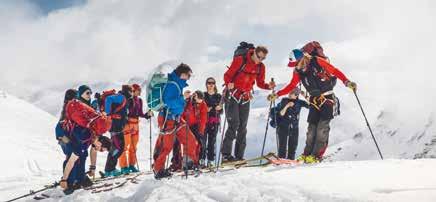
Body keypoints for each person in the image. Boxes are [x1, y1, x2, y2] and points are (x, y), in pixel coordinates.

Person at [269, 49, 357, 163]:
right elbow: (291, 85)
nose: (295, 67)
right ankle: (307, 154)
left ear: (302, 59)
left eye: (295, 63)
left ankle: (316, 156)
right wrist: (277, 94)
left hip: (327, 99)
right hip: (314, 101)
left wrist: (347, 82)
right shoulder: (298, 71)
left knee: (322, 128)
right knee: (311, 129)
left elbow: (334, 71)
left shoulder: (317, 61)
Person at [222, 46, 276, 161]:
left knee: (243, 127)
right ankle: (226, 155)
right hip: (233, 95)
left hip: (245, 97)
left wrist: (268, 86)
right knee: (234, 124)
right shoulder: (240, 60)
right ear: (254, 53)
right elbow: (227, 75)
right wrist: (228, 83)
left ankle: (239, 156)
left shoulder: (261, 67)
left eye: (263, 58)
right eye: (259, 56)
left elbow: (260, 83)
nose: (260, 60)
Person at [153, 63, 199, 179]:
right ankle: (158, 170)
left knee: (190, 139)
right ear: (183, 74)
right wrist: (182, 98)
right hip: (168, 119)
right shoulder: (172, 84)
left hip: (176, 119)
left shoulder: (177, 84)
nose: (188, 78)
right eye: (188, 75)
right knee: (166, 147)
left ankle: (188, 163)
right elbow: (169, 101)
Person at [118, 84, 153, 174]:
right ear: (134, 90)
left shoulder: (139, 100)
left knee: (134, 146)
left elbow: (140, 113)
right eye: (139, 90)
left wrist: (146, 115)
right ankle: (123, 166)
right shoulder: (128, 100)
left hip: (136, 124)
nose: (140, 91)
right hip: (127, 124)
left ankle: (131, 165)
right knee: (125, 146)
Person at [103, 85, 132, 177]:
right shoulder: (121, 97)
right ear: (128, 91)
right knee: (117, 148)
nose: (132, 93)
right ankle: (109, 170)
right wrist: (108, 114)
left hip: (117, 126)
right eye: (131, 91)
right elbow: (108, 99)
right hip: (115, 126)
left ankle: (110, 169)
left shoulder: (123, 98)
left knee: (117, 148)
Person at [274, 88, 309, 160]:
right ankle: (281, 159)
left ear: (296, 95)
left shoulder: (300, 102)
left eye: (291, 93)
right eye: (289, 92)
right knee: (282, 146)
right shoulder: (284, 100)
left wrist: (305, 96)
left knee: (293, 145)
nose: (289, 94)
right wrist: (287, 106)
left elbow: (310, 105)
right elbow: (281, 114)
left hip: (294, 127)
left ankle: (291, 159)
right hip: (283, 126)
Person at [204, 77, 222, 167]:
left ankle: (210, 161)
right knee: (202, 141)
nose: (211, 85)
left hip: (214, 122)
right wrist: (206, 109)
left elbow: (221, 111)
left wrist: (219, 108)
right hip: (204, 122)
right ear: (206, 84)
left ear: (215, 85)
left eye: (212, 83)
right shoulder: (203, 95)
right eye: (209, 83)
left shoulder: (219, 96)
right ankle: (201, 159)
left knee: (211, 142)